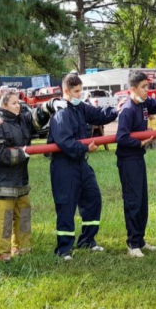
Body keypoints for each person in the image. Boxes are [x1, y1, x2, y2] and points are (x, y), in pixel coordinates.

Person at [49, 73, 123, 261]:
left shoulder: (80, 107)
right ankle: (64, 249)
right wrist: (84, 147)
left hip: (82, 163)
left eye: (81, 91)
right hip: (64, 166)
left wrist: (116, 110)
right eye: (76, 91)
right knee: (66, 206)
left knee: (93, 198)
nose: (79, 95)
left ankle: (87, 240)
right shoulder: (61, 113)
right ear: (66, 91)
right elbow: (65, 142)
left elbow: (98, 115)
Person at [116, 71, 156, 258]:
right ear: (133, 89)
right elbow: (121, 137)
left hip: (138, 159)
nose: (148, 91)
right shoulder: (127, 110)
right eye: (144, 87)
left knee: (142, 202)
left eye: (148, 86)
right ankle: (132, 243)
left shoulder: (144, 104)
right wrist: (139, 143)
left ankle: (140, 240)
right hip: (127, 161)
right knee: (133, 201)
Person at [0, 91, 53, 262]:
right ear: (4, 106)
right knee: (5, 219)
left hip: (22, 181)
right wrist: (21, 154)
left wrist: (48, 107)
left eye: (19, 102)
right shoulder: (0, 126)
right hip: (5, 183)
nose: (18, 105)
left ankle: (23, 248)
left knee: (24, 214)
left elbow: (36, 120)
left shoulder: (23, 120)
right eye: (14, 103)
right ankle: (1, 253)